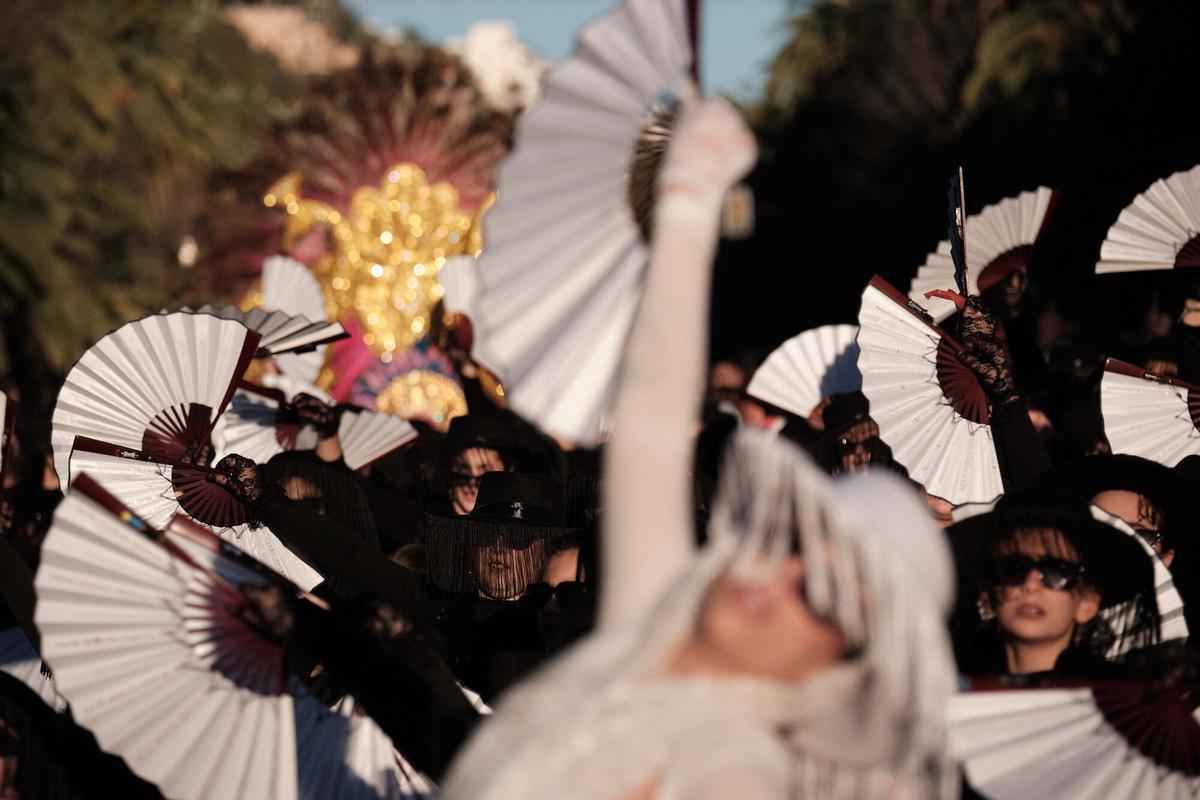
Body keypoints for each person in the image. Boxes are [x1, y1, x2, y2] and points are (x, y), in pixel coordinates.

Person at [441, 98, 958, 800]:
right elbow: (651, 419)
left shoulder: (739, 775)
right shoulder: (652, 637)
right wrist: (684, 208)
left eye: (816, 595)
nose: (769, 580)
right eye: (780, 546)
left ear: (840, 671)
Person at [948, 505, 1160, 677]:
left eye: (1057, 572)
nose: (1031, 586)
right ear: (987, 594)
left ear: (1088, 603)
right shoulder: (941, 698)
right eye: (1013, 569)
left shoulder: (1123, 707)